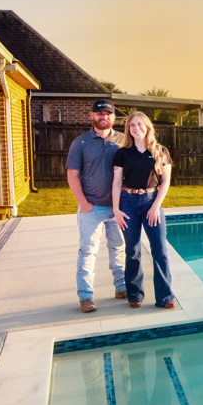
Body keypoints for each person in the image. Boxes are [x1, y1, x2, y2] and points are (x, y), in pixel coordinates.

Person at [66, 98, 127, 313]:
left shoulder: (123, 140)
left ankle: (121, 287)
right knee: (87, 251)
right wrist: (83, 203)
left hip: (118, 208)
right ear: (92, 116)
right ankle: (86, 297)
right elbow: (72, 174)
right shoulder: (80, 143)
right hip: (92, 208)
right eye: (100, 113)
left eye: (108, 113)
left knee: (118, 248)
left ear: (113, 117)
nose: (104, 117)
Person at [112, 111, 177, 309]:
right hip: (128, 202)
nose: (136, 128)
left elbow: (165, 182)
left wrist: (155, 206)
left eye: (140, 124)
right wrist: (116, 209)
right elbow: (116, 182)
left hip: (151, 201)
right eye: (132, 125)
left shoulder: (160, 151)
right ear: (128, 129)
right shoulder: (122, 153)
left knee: (160, 250)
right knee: (132, 250)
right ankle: (135, 295)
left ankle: (165, 297)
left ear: (148, 127)